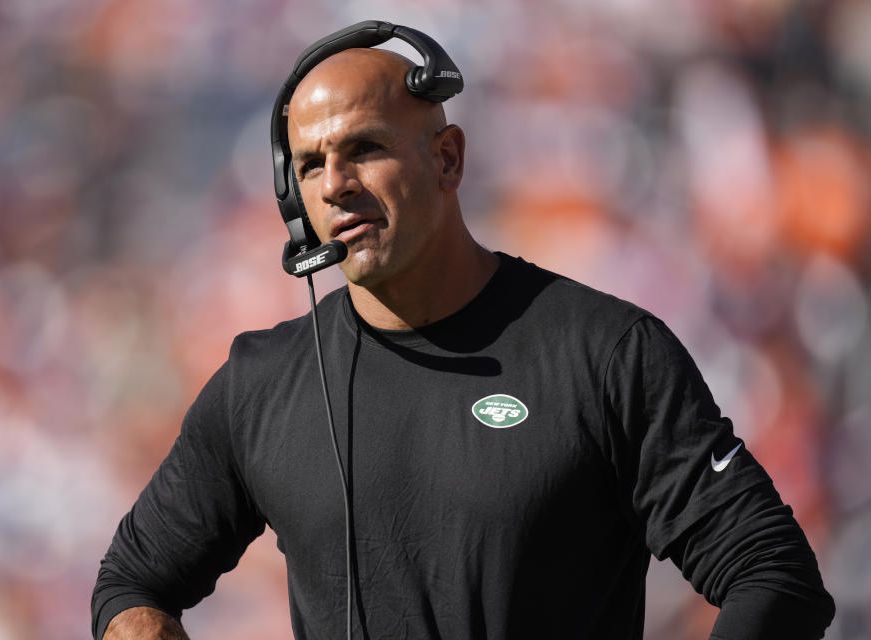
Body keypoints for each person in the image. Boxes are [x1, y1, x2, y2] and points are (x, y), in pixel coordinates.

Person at [91, 31, 835, 640]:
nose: (335, 184)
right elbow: (132, 583)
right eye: (311, 165)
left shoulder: (606, 351)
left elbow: (772, 574)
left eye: (364, 149)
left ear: (447, 159)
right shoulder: (262, 383)